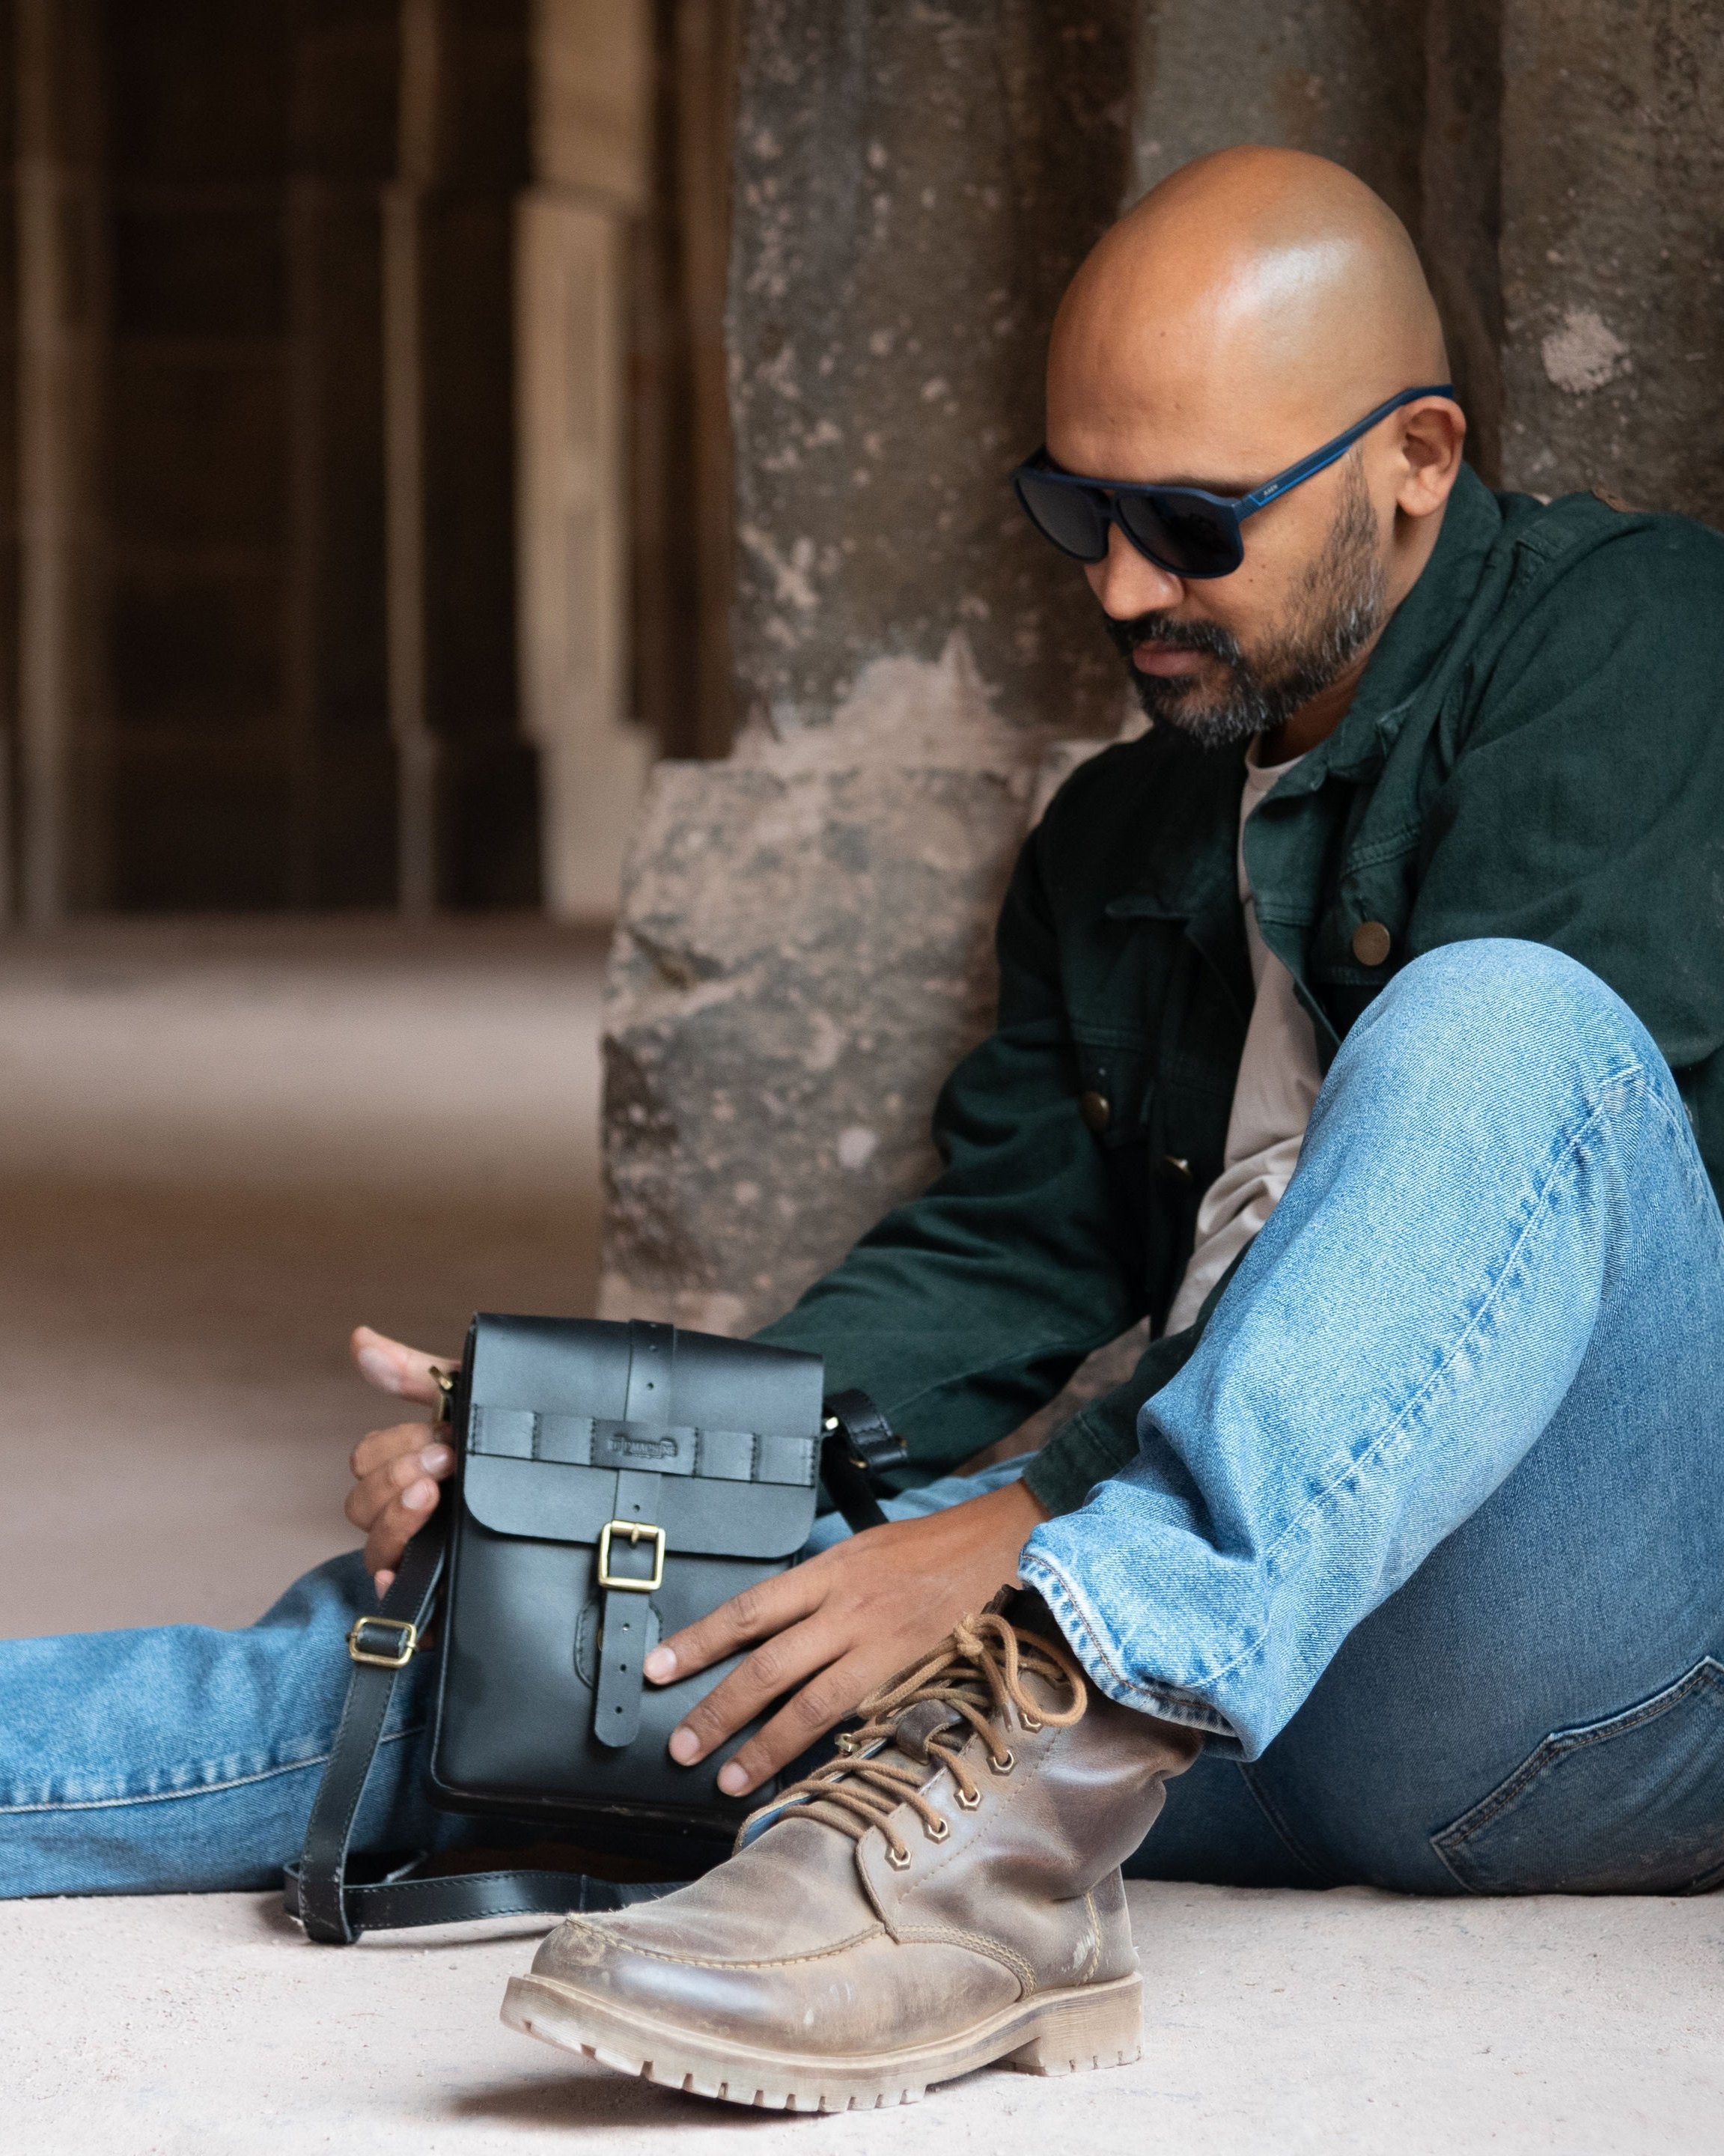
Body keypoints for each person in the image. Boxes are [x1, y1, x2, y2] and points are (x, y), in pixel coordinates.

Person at [6, 145, 1724, 2109]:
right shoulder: (1120, 831)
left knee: (1501, 1024)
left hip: (1582, 1674)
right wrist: (606, 1454)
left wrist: (1031, 1529)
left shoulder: (1636, 648)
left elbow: (1522, 1189)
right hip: (1202, 1697)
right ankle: (1011, 1767)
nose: (1121, 585)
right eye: (1075, 509)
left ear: (1415, 457)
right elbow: (1001, 1251)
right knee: (526, 1621)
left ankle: (1008, 1818)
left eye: (1190, 521)